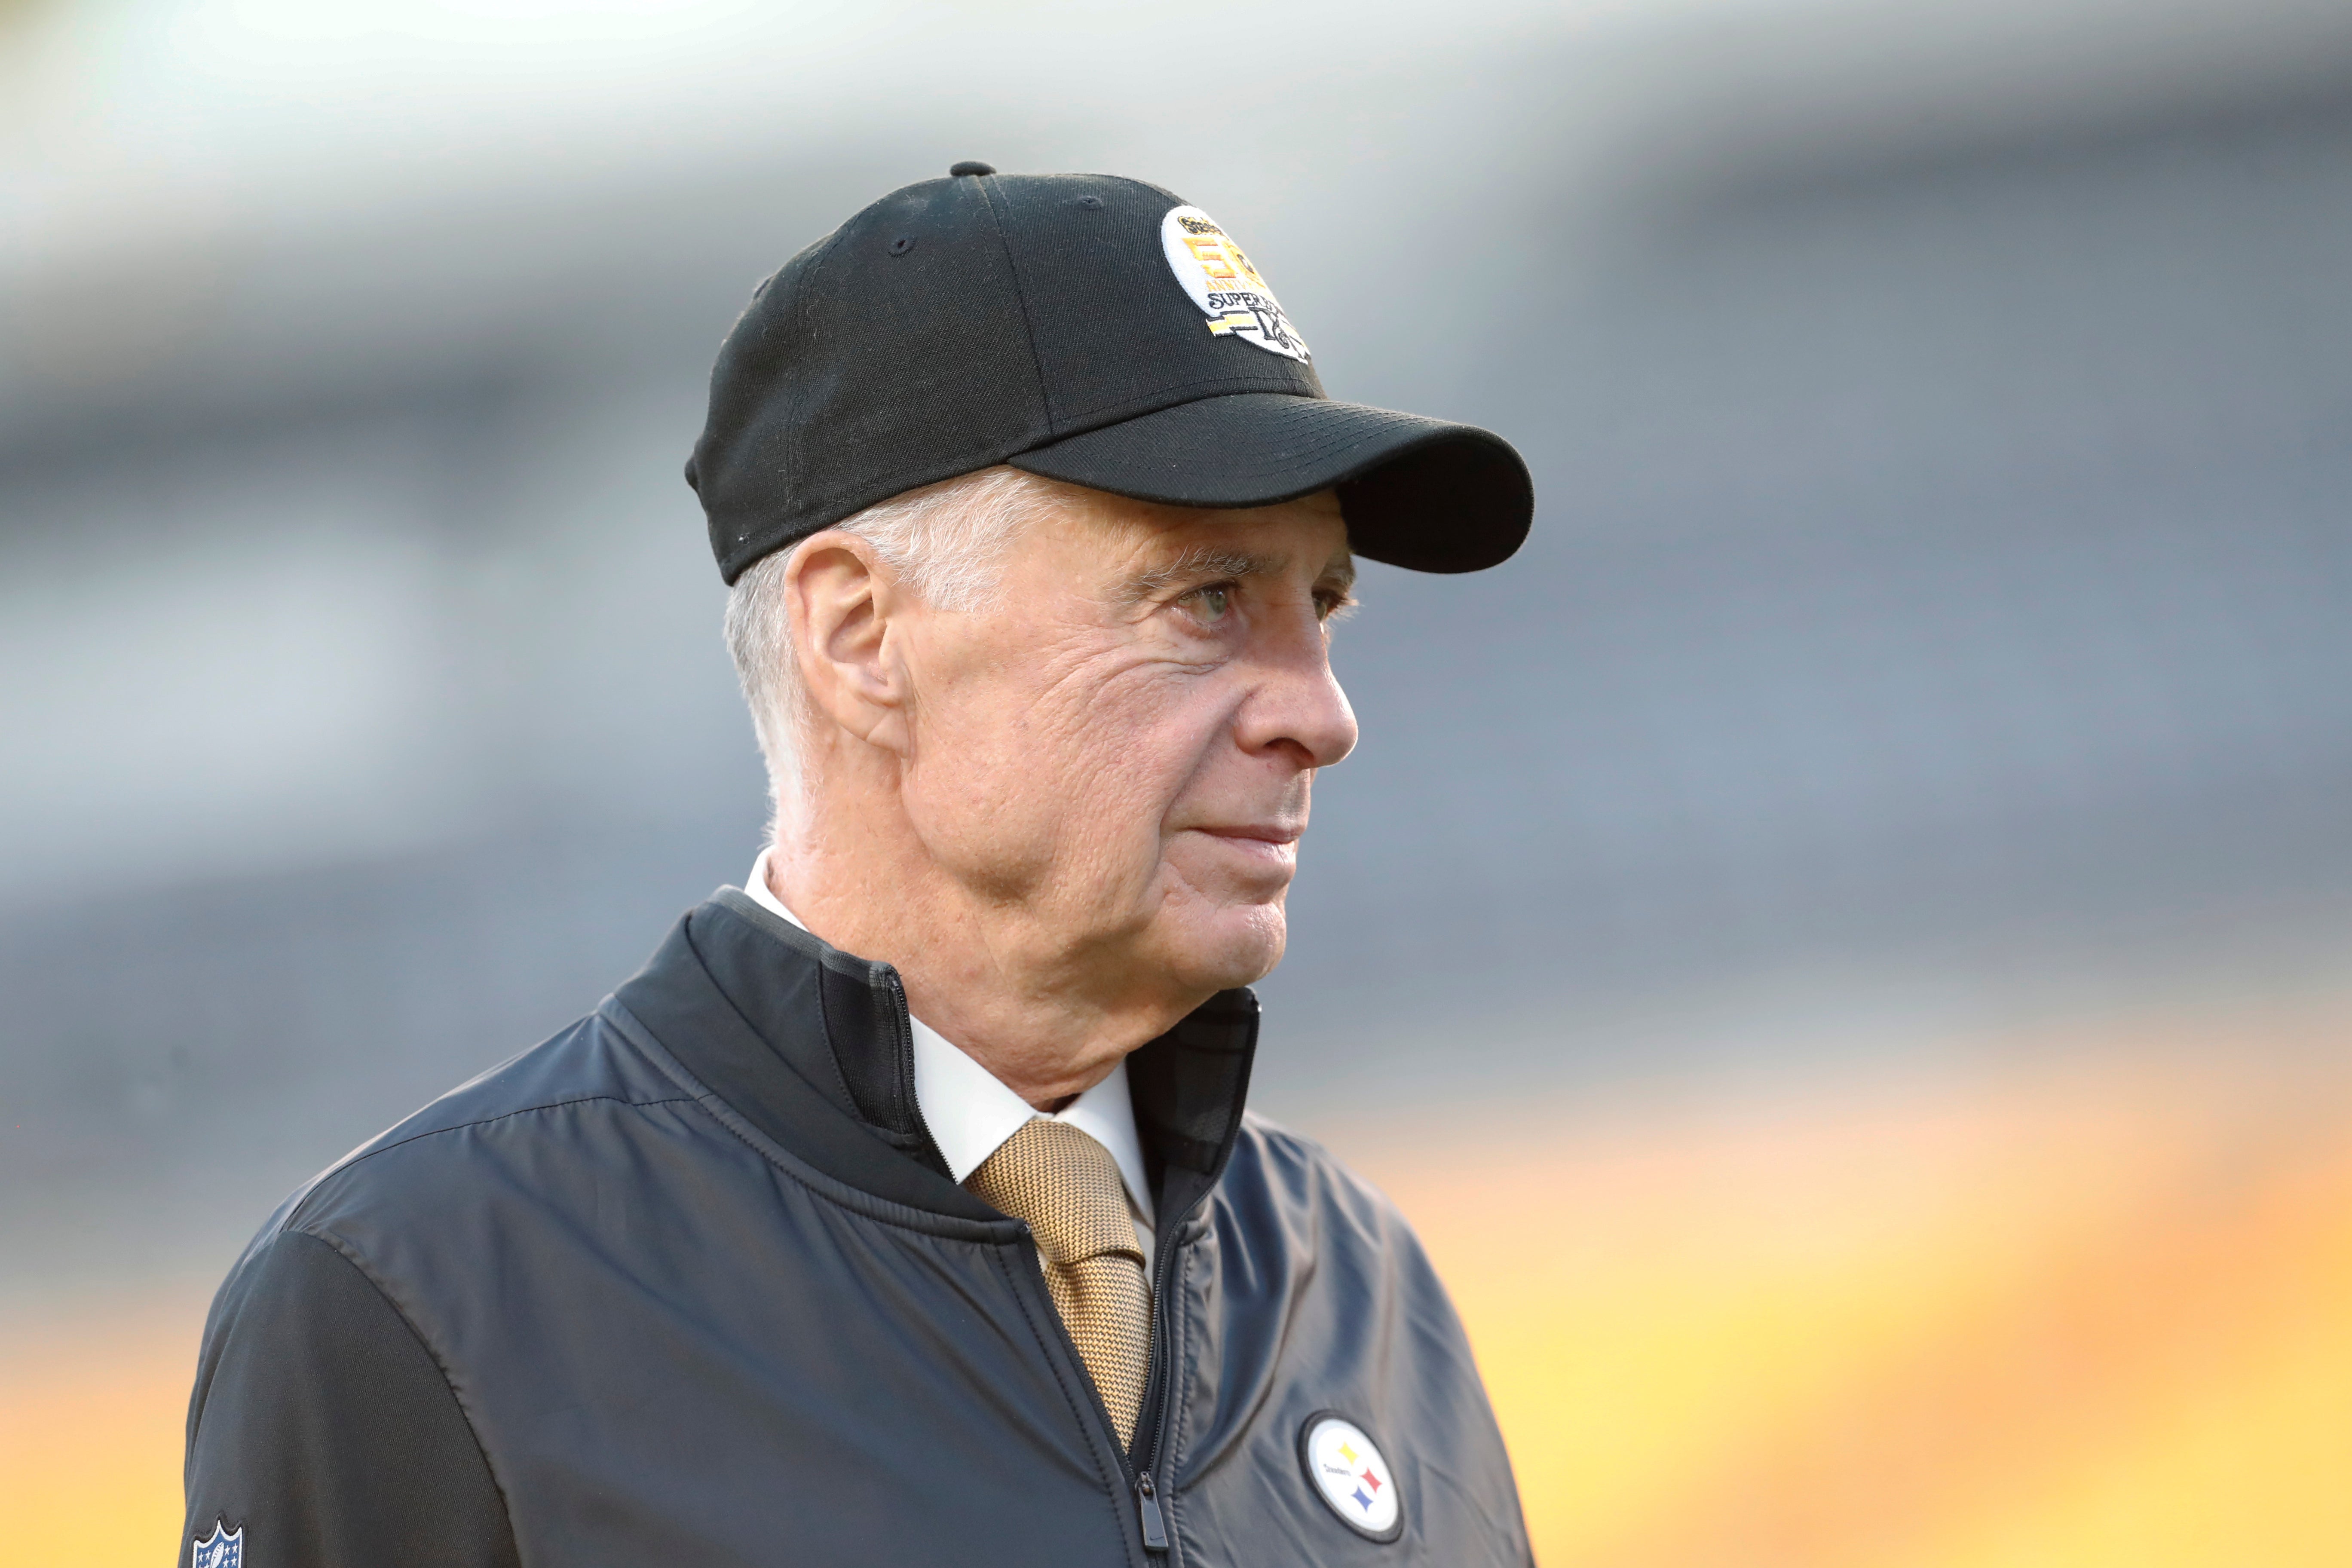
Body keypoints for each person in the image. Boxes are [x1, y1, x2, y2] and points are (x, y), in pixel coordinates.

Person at [181, 162, 1535, 1568]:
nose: (1321, 713)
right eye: (1205, 599)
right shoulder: (425, 1305)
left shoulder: (1364, 1295)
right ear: (859, 639)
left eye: (1320, 606)